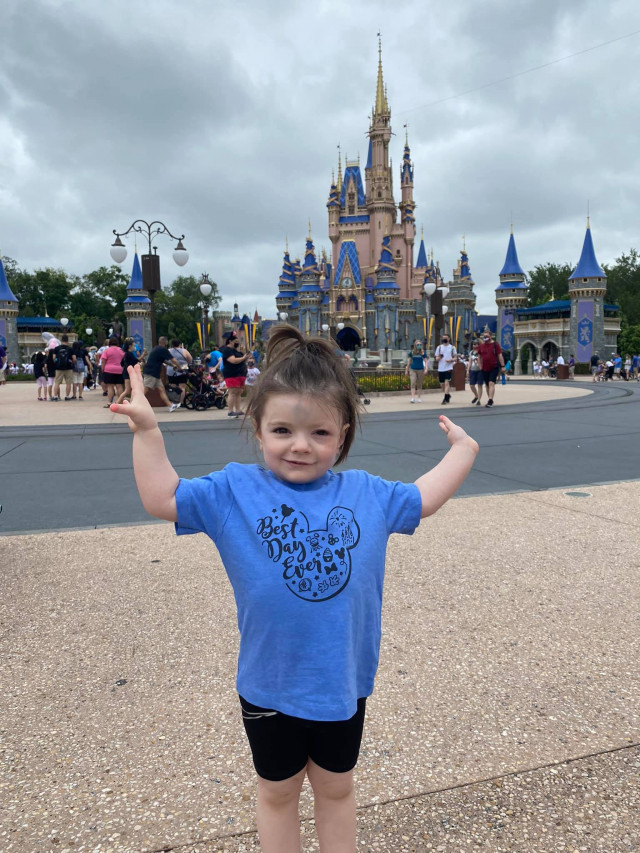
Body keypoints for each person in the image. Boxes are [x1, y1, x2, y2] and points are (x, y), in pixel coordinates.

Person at [109, 325, 478, 853]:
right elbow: (163, 497)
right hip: (269, 685)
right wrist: (148, 433)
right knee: (278, 792)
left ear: (343, 435)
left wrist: (463, 450)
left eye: (320, 434)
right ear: (257, 430)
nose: (300, 446)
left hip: (341, 682)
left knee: (336, 787)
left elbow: (424, 497)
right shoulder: (234, 490)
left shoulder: (366, 493)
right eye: (282, 430)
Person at [142, 336, 183, 412]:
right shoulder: (163, 349)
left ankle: (170, 406)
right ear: (166, 342)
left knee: (161, 389)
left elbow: (163, 360)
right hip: (151, 372)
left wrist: (172, 365)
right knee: (145, 390)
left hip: (154, 373)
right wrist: (179, 367)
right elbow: (173, 359)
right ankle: (135, 404)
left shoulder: (157, 348)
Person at [221, 331, 250, 417]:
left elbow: (241, 359)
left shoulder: (235, 350)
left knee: (238, 392)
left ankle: (238, 410)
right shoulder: (227, 350)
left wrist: (245, 356)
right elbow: (233, 360)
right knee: (233, 392)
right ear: (230, 341)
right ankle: (230, 410)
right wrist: (243, 358)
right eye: (235, 342)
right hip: (232, 374)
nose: (237, 343)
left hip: (240, 373)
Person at [477, 330, 505, 408]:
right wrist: (480, 367)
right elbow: (479, 357)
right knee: (487, 385)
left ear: (491, 336)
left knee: (491, 383)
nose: (485, 338)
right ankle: (490, 398)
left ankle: (490, 400)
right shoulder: (482, 346)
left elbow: (500, 355)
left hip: (494, 367)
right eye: (484, 336)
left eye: (487, 336)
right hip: (484, 368)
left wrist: (503, 366)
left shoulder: (495, 345)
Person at [166, 339, 193, 411]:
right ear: (179, 344)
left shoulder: (168, 351)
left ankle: (174, 402)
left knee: (173, 386)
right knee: (182, 387)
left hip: (171, 370)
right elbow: (190, 359)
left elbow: (165, 360)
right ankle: (181, 402)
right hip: (182, 370)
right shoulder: (184, 351)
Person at [99, 336, 125, 406]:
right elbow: (123, 359)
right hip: (119, 370)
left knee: (110, 386)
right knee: (119, 386)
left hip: (109, 370)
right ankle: (120, 401)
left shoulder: (107, 350)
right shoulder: (121, 350)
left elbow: (103, 361)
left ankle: (109, 402)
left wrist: (102, 369)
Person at [51, 334, 76, 401]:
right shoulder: (70, 349)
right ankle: (67, 396)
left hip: (59, 368)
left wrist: (56, 362)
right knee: (68, 383)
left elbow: (53, 358)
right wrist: (72, 363)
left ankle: (55, 396)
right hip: (68, 367)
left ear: (61, 340)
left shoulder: (56, 348)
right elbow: (74, 358)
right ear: (67, 341)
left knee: (57, 382)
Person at [116, 338, 139, 405]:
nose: (134, 347)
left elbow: (122, 363)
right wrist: (143, 355)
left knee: (129, 390)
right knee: (127, 390)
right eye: (133, 345)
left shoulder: (126, 354)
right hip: (128, 373)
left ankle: (131, 402)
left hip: (127, 372)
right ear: (130, 346)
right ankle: (118, 402)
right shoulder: (129, 354)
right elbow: (135, 361)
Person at [434, 333, 456, 404]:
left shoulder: (452, 347)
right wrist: (439, 357)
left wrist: (451, 360)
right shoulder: (439, 347)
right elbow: (436, 358)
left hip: (448, 367)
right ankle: (448, 395)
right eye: (443, 338)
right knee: (442, 384)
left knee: (447, 383)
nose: (444, 339)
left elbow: (455, 357)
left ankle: (445, 398)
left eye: (446, 338)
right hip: (441, 368)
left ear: (449, 339)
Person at [467, 340, 483, 405]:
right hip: (472, 369)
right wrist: (468, 370)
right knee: (472, 385)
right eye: (474, 344)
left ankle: (479, 400)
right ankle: (476, 395)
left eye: (476, 344)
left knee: (480, 385)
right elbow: (470, 362)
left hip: (480, 370)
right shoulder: (471, 352)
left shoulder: (481, 352)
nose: (475, 345)